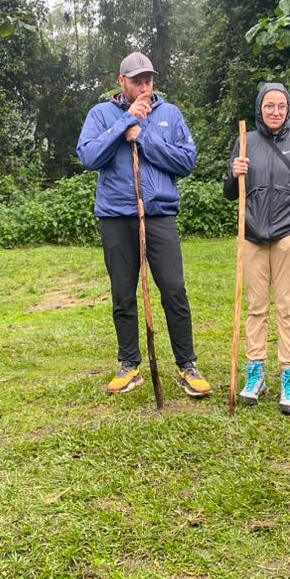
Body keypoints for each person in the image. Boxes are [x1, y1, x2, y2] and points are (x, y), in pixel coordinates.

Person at [76, 52, 211, 398]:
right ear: (121, 81)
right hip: (116, 217)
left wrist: (145, 138)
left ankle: (187, 365)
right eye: (137, 81)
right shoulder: (100, 114)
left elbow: (187, 161)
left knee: (174, 290)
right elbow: (89, 156)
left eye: (148, 80)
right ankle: (129, 364)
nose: (144, 88)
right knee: (123, 294)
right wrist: (123, 125)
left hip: (160, 215)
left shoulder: (170, 114)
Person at [224, 82, 290, 414]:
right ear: (260, 108)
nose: (275, 112)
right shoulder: (245, 141)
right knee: (256, 308)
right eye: (269, 106)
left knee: (287, 307)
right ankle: (255, 375)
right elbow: (229, 193)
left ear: (288, 109)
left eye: (281, 106)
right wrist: (233, 172)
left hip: (288, 234)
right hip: (252, 234)